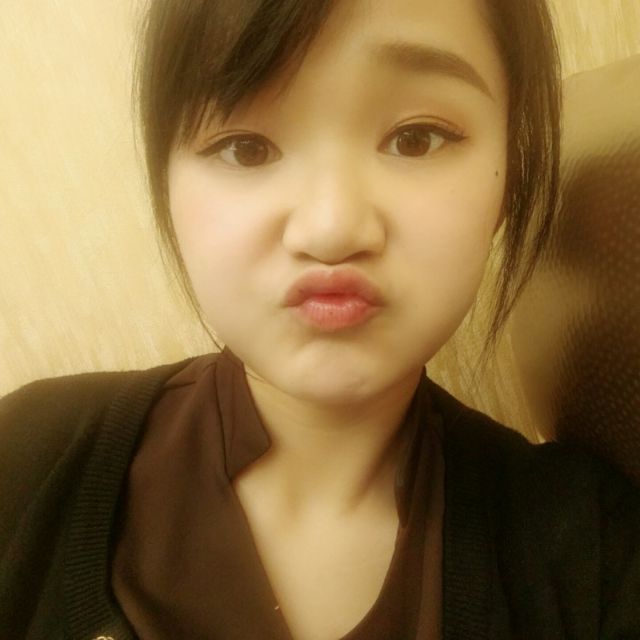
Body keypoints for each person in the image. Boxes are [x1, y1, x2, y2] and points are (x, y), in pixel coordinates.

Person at [1, 1, 638, 638]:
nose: (331, 229)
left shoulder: (592, 550)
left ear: (509, 177)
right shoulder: (29, 456)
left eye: (416, 138)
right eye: (246, 148)